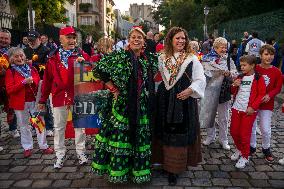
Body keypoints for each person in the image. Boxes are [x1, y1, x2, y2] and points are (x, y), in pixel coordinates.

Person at [91, 26, 158, 183]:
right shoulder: (119, 56)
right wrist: (113, 87)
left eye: (139, 38)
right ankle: (120, 172)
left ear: (144, 42)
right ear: (129, 40)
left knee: (137, 140)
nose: (136, 39)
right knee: (122, 139)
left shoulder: (149, 59)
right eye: (133, 37)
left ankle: (136, 171)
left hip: (141, 106)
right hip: (123, 105)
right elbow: (98, 70)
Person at [155, 27, 206, 186]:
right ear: (170, 39)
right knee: (164, 130)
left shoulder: (192, 58)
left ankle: (175, 169)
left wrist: (191, 90)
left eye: (183, 38)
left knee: (179, 132)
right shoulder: (162, 58)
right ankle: (164, 163)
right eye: (177, 38)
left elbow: (200, 79)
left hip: (184, 100)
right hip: (165, 99)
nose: (181, 41)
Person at [38, 26, 89, 169]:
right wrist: (42, 100)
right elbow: (47, 81)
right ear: (61, 39)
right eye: (69, 37)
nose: (72, 40)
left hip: (77, 95)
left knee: (80, 127)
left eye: (73, 37)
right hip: (59, 96)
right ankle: (60, 154)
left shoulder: (81, 54)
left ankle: (81, 152)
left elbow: (91, 75)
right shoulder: (52, 58)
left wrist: (84, 64)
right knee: (59, 127)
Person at [5, 47, 54, 157]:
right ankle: (27, 147)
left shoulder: (31, 68)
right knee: (24, 125)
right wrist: (23, 82)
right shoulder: (10, 72)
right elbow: (10, 90)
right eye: (16, 56)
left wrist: (33, 82)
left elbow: (38, 81)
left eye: (21, 55)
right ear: (11, 59)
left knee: (39, 123)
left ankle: (43, 145)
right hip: (20, 104)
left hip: (34, 101)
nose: (20, 58)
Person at [202, 37, 238, 150]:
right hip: (210, 90)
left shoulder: (228, 59)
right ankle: (210, 137)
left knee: (224, 117)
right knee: (209, 116)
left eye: (225, 47)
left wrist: (229, 73)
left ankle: (224, 139)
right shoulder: (206, 58)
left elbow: (236, 73)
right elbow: (201, 73)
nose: (224, 49)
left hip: (223, 91)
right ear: (215, 48)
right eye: (222, 47)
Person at [230, 55, 266, 168]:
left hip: (249, 111)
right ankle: (239, 149)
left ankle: (245, 156)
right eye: (241, 65)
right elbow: (232, 91)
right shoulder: (240, 76)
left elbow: (261, 94)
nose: (242, 67)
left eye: (244, 65)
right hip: (237, 108)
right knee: (233, 131)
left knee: (244, 134)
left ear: (252, 66)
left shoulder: (258, 78)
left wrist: (253, 107)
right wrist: (234, 85)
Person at [250, 45, 282, 162]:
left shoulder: (276, 72)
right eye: (266, 54)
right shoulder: (255, 68)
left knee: (265, 128)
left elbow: (278, 87)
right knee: (251, 126)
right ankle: (251, 147)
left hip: (267, 104)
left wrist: (269, 95)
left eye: (271, 54)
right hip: (254, 103)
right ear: (261, 55)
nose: (269, 57)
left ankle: (266, 148)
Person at [24, 30, 54, 137]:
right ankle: (36, 126)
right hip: (30, 82)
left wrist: (34, 64)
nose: (31, 42)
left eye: (33, 40)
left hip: (42, 81)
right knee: (33, 107)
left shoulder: (46, 50)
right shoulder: (26, 50)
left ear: (39, 39)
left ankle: (49, 127)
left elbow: (48, 66)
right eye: (29, 40)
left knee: (44, 104)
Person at [0, 29, 20, 138]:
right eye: (1, 38)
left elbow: (20, 64)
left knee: (12, 107)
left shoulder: (13, 51)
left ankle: (13, 128)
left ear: (10, 39)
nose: (3, 40)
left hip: (10, 84)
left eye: (5, 38)